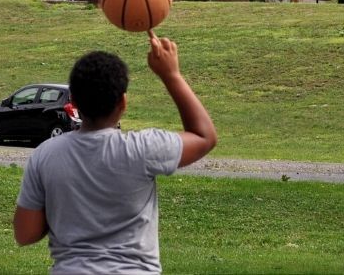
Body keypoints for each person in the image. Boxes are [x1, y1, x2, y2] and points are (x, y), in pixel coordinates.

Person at [13, 32, 217, 273]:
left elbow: (25, 234)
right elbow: (205, 137)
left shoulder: (45, 155)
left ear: (74, 102)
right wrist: (171, 75)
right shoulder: (142, 149)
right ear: (123, 103)